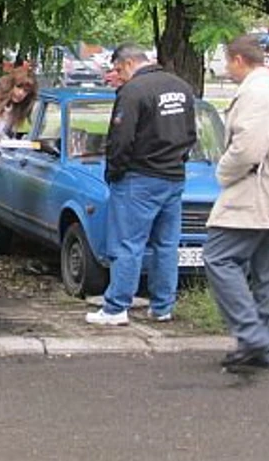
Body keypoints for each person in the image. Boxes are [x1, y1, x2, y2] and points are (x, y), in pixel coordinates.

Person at [203, 35, 269, 371]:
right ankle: (264, 347)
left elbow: (247, 150)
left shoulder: (256, 94)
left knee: (218, 257)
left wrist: (223, 172)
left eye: (227, 62)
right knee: (267, 271)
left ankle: (251, 334)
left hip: (254, 192)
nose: (227, 69)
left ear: (238, 60)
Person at [86, 43, 197, 326]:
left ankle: (116, 308)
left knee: (127, 245)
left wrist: (114, 171)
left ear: (127, 63)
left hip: (138, 179)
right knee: (166, 245)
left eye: (117, 70)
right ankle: (162, 307)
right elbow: (191, 134)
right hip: (174, 177)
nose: (117, 76)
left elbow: (121, 139)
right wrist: (176, 162)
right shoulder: (182, 87)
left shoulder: (133, 91)